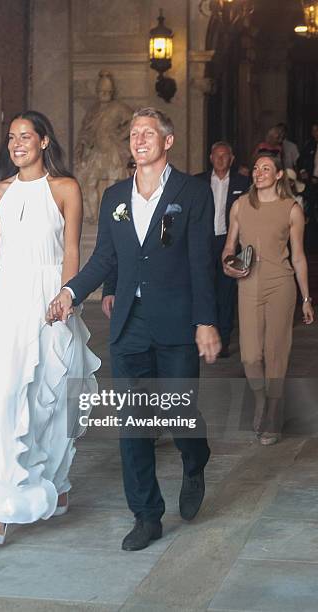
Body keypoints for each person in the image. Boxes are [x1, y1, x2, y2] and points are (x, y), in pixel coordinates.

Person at [48, 107, 221, 552]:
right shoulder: (115, 197)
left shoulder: (194, 193)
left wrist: (206, 321)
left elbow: (201, 263)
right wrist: (70, 292)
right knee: (134, 422)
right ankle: (146, 515)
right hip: (131, 324)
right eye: (133, 133)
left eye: (148, 133)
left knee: (177, 412)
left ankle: (195, 456)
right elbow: (106, 257)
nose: (138, 139)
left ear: (168, 141)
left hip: (178, 320)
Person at [0, 111, 100, 545]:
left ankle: (54, 479)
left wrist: (67, 298)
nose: (17, 144)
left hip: (50, 298)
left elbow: (71, 248)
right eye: (12, 137)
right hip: (9, 299)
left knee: (48, 397)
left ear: (45, 141)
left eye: (26, 136)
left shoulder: (65, 189)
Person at [222, 153, 314, 445]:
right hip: (248, 284)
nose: (259, 172)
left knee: (276, 351)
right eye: (257, 168)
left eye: (266, 168)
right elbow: (228, 248)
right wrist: (229, 263)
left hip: (281, 284)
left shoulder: (291, 209)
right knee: (250, 355)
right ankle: (261, 399)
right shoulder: (239, 206)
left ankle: (273, 411)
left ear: (277, 176)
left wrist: (306, 298)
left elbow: (298, 257)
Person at [196, 142, 250, 357]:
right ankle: (203, 334)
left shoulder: (243, 182)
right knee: (204, 288)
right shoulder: (198, 181)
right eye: (216, 155)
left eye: (224, 156)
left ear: (232, 159)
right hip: (203, 242)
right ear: (210, 158)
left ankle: (224, 340)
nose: (220, 159)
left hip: (229, 242)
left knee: (226, 293)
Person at [75, 70, 133, 223]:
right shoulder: (93, 110)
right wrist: (81, 148)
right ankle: (95, 216)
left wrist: (121, 136)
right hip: (97, 152)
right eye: (102, 91)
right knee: (90, 183)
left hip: (113, 151)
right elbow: (85, 131)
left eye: (107, 91)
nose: (104, 94)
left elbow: (134, 120)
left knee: (112, 187)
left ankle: (110, 217)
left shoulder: (119, 107)